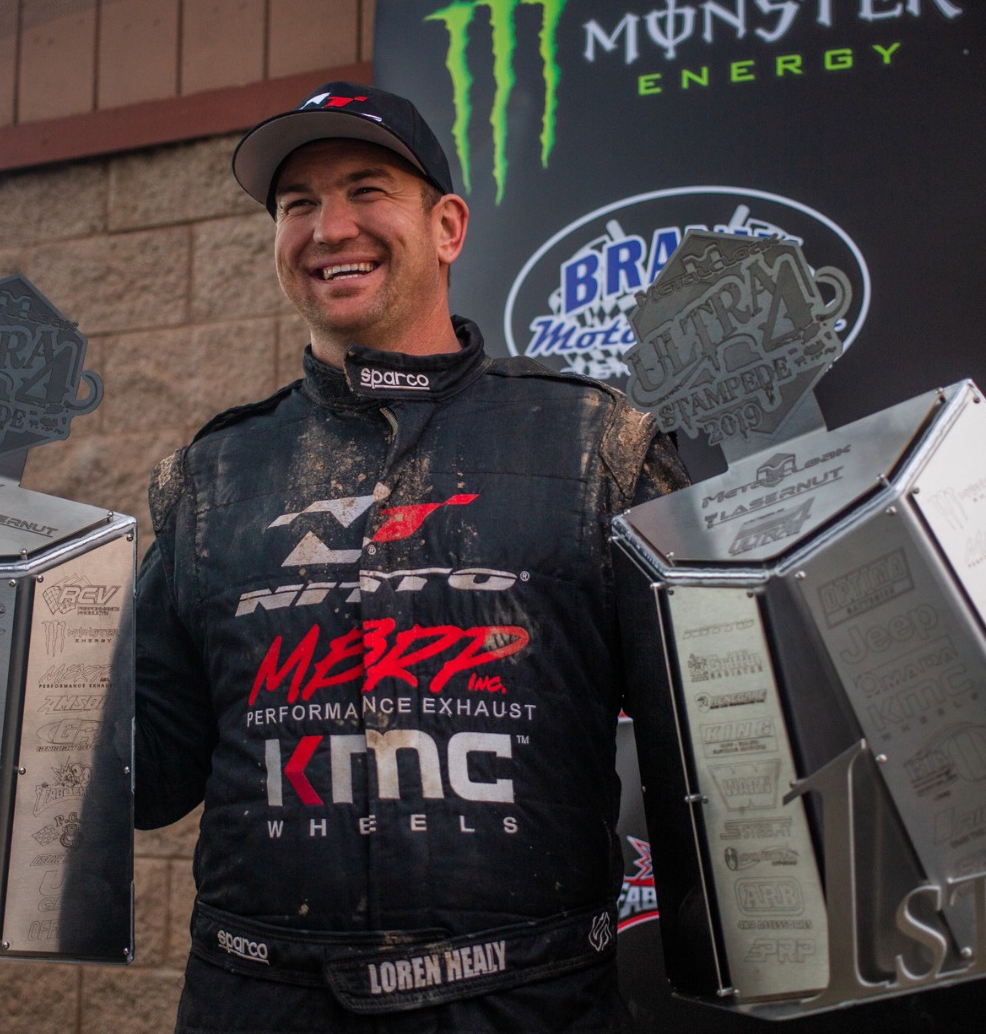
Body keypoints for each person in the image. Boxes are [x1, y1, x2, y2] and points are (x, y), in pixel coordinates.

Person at [134, 81, 686, 1033]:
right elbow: (147, 773)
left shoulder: (597, 445)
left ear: (447, 226)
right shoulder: (212, 474)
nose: (328, 226)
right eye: (297, 204)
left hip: (530, 1000)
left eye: (365, 190)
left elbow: (713, 741)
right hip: (258, 1000)